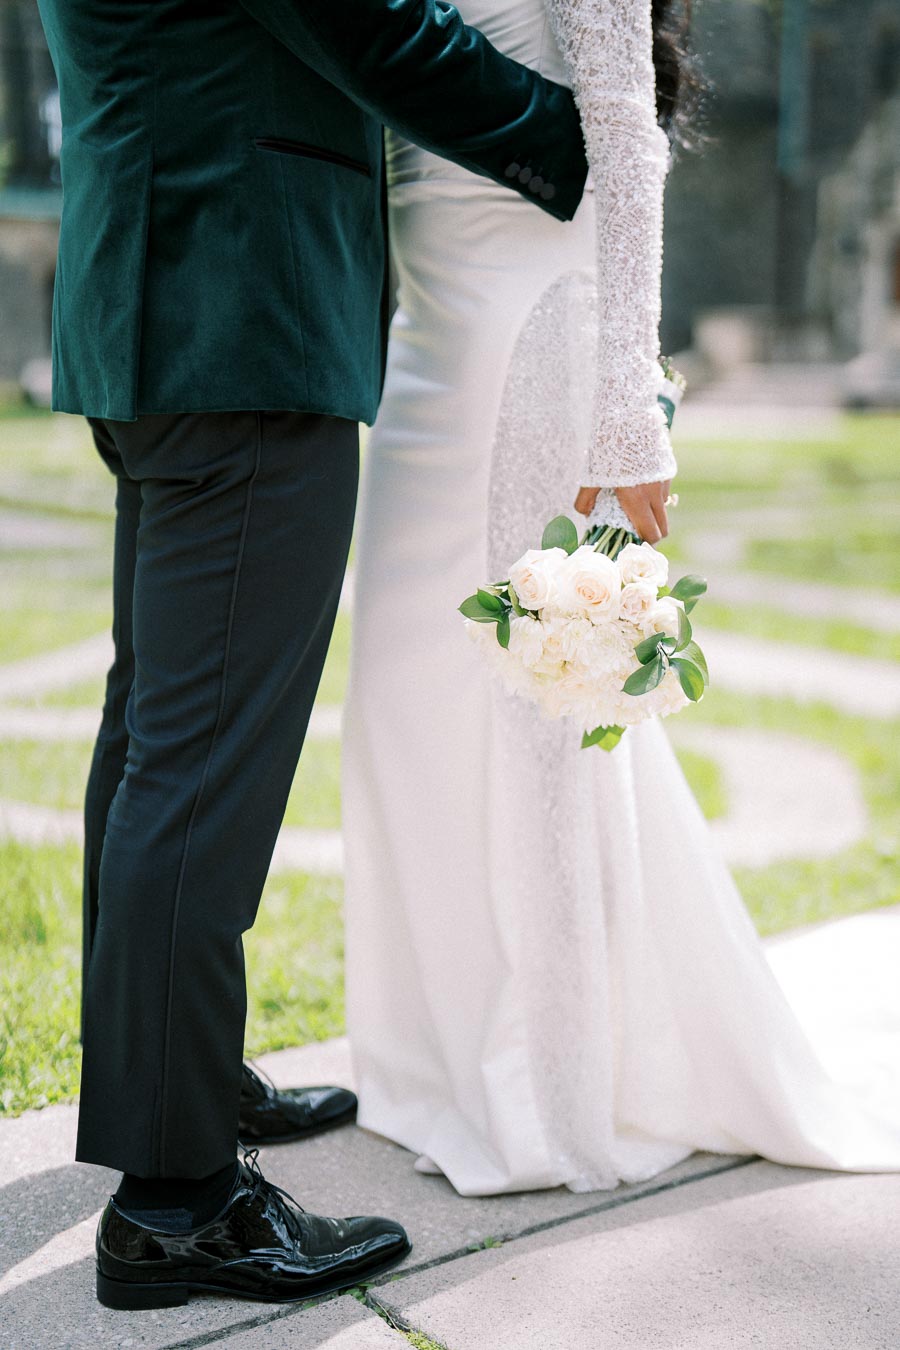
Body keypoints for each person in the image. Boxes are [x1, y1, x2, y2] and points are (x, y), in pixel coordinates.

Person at [35, 0, 590, 1309]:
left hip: (165, 291)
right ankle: (178, 1204)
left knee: (153, 738)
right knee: (197, 765)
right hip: (244, 304)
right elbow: (369, 19)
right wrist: (573, 141)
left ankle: (173, 1082)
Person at [344, 0, 900, 1195]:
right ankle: (429, 1053)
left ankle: (556, 1087)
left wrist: (626, 400)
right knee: (407, 709)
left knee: (538, 717)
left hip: (532, 337)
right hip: (426, 340)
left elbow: (626, 135)